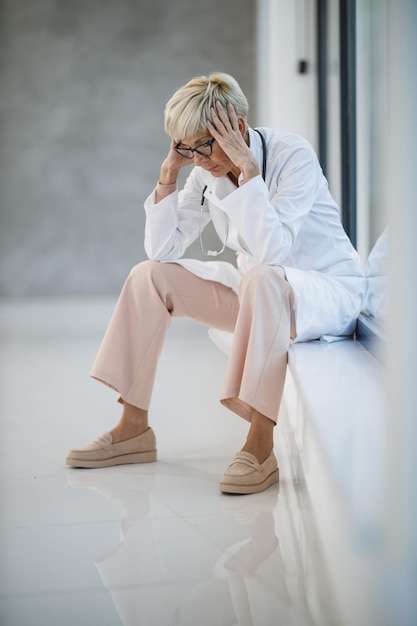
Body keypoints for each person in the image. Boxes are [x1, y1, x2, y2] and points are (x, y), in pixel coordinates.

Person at [66, 72, 364, 494]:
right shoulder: (203, 170)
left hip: (322, 294)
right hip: (260, 294)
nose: (199, 160)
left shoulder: (292, 154)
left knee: (262, 277)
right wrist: (170, 173)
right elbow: (161, 250)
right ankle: (133, 428)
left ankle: (259, 446)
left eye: (203, 145)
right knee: (147, 277)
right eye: (185, 148)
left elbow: (272, 252)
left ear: (238, 129)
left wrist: (248, 173)